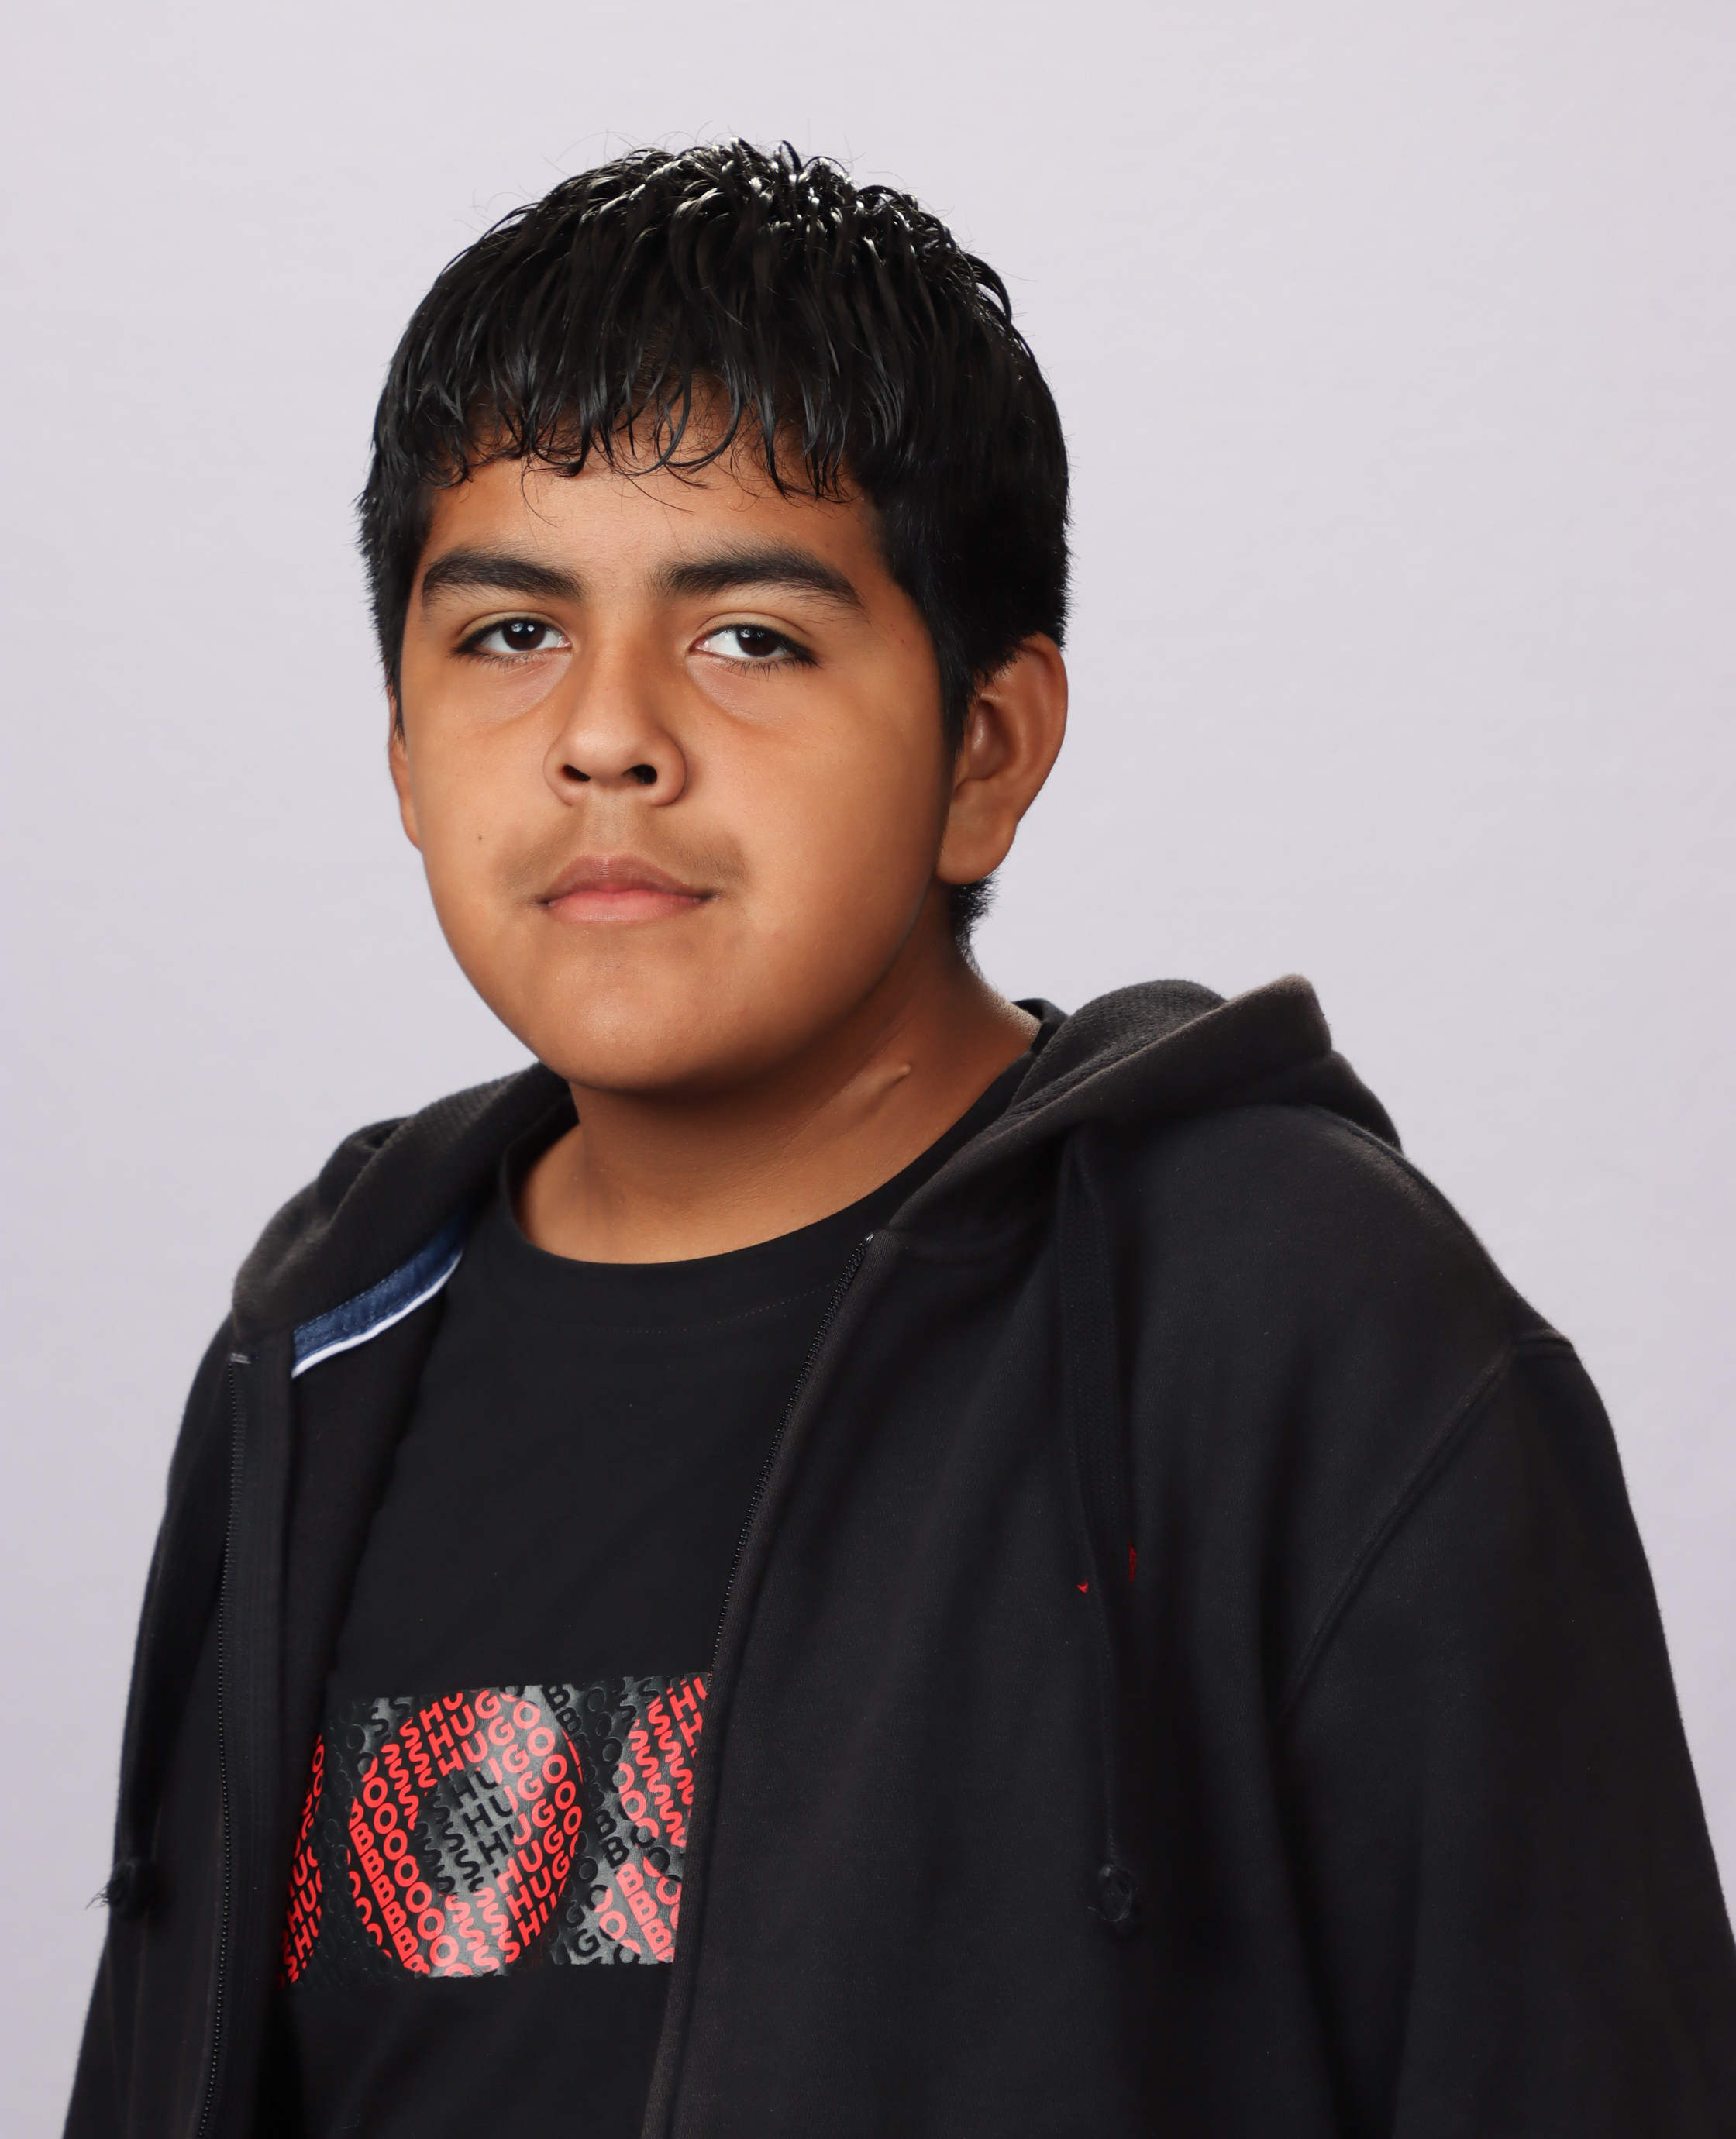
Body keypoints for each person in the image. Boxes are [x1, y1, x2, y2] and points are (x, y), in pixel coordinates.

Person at [67, 140, 1735, 2139]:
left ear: (984, 751)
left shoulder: (1302, 1332)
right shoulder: (320, 1355)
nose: (607, 735)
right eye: (508, 632)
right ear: (404, 750)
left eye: (750, 637)